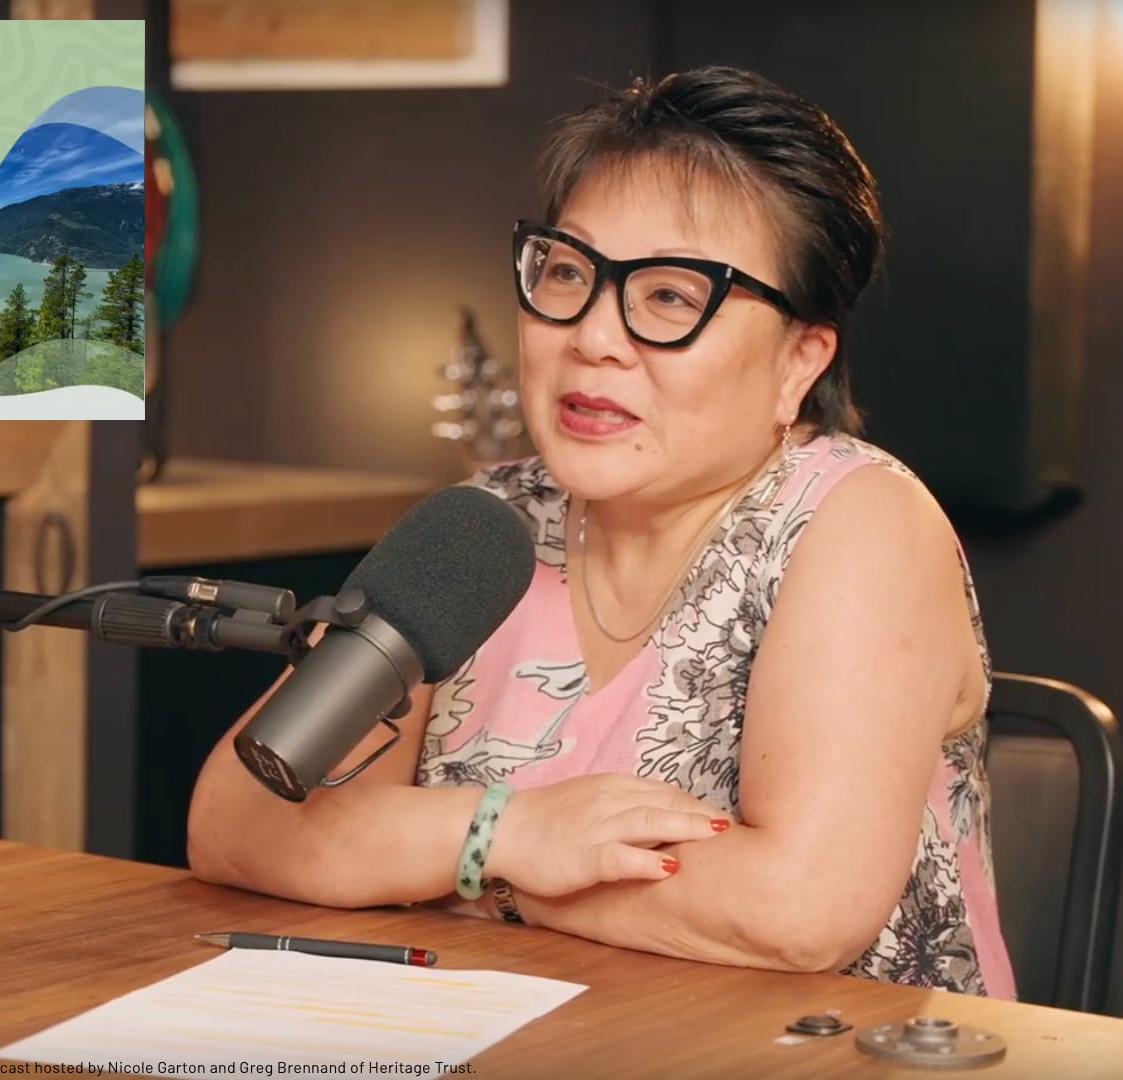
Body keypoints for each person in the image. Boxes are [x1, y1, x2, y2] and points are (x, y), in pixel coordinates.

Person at [188, 65, 1015, 1000]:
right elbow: (241, 817)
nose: (592, 336)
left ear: (800, 360)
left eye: (670, 296)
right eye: (569, 272)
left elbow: (795, 910)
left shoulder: (858, 522)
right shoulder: (484, 526)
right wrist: (513, 834)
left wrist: (436, 860)